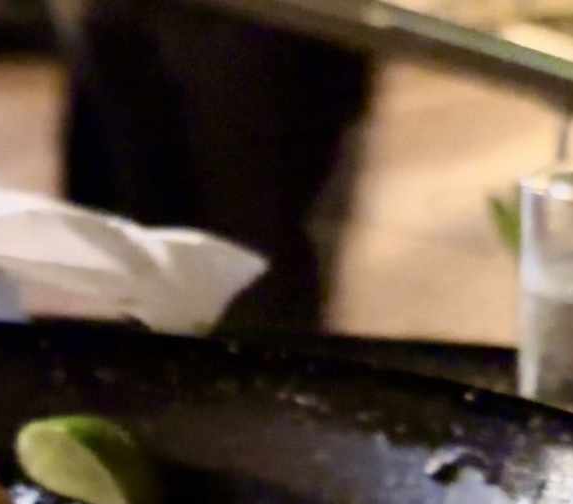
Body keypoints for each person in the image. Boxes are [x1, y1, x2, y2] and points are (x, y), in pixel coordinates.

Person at [49, 0, 372, 331]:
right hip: (132, 18)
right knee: (153, 245)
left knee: (252, 254)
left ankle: (257, 373)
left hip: (274, 26)